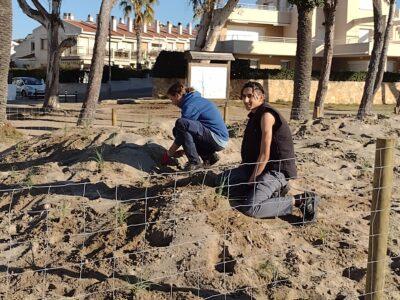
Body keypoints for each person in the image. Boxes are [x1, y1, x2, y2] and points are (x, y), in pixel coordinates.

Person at [220, 81, 319, 223]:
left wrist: (254, 178)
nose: (246, 100)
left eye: (250, 96)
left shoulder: (267, 115)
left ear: (261, 97)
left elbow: (265, 154)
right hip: (258, 167)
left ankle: (301, 200)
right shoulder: (254, 115)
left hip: (276, 170)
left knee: (251, 207)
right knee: (222, 182)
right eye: (243, 96)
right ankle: (273, 192)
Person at [162, 82, 229, 171]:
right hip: (218, 138)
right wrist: (185, 151)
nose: (172, 103)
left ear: (177, 95)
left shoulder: (190, 105)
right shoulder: (194, 100)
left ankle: (194, 162)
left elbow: (182, 131)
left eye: (171, 99)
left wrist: (169, 153)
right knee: (177, 129)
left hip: (217, 138)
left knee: (180, 125)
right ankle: (209, 157)